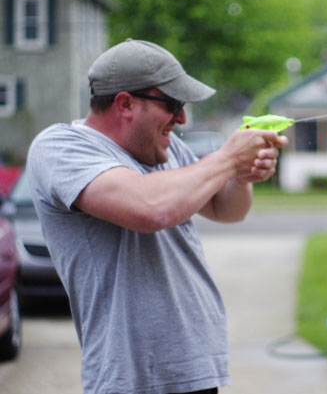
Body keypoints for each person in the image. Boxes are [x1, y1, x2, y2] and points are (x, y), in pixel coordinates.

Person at [26, 39, 288, 394]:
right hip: (131, 378)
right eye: (173, 104)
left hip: (194, 369)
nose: (181, 119)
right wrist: (228, 159)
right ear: (125, 103)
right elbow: (150, 209)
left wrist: (241, 177)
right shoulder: (60, 147)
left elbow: (226, 210)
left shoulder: (167, 147)